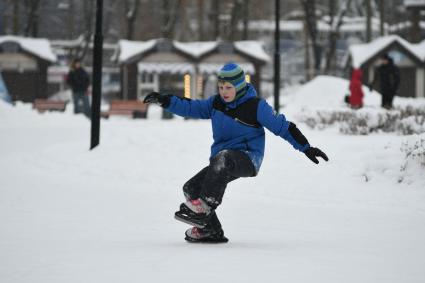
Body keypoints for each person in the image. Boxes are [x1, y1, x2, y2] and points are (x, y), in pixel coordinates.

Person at [143, 63, 329, 243]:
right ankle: (210, 230)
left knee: (223, 158)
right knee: (191, 188)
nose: (224, 91)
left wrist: (306, 147)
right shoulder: (216, 103)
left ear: (239, 87)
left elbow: (283, 127)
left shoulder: (256, 106)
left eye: (228, 87)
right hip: (221, 161)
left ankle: (205, 205)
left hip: (248, 158)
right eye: (221, 86)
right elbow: (191, 107)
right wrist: (164, 100)